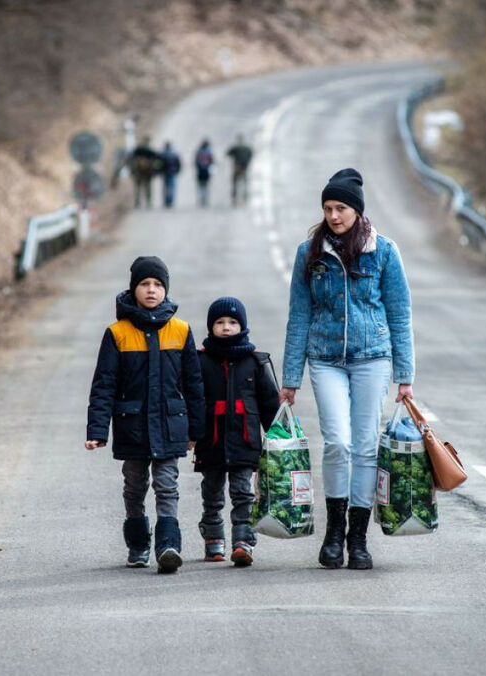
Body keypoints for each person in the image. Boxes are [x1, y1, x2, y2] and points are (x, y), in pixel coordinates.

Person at [279, 168, 415, 571]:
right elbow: (298, 316)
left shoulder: (384, 251)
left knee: (365, 446)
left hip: (373, 357)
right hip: (325, 359)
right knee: (337, 442)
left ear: (356, 210)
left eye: (340, 208)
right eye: (327, 208)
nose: (334, 215)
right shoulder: (310, 253)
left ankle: (358, 539)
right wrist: (290, 379)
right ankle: (333, 533)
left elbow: (399, 313)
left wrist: (405, 375)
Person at [86, 256, 205, 573]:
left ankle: (168, 546)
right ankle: (138, 545)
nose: (151, 290)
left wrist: (196, 429)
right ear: (133, 288)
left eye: (157, 284)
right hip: (132, 426)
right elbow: (104, 385)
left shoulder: (180, 331)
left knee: (167, 485)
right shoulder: (118, 333)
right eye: (144, 284)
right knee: (135, 486)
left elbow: (193, 384)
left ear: (166, 289)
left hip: (169, 425)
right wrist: (98, 430)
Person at [193, 297, 279, 567]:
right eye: (220, 322)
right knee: (212, 492)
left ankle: (243, 541)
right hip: (211, 441)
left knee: (243, 492)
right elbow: (192, 401)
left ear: (242, 326)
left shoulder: (255, 361)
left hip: (245, 440)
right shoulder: (200, 361)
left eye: (232, 322)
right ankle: (213, 539)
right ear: (211, 327)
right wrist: (190, 433)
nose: (226, 327)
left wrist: (278, 437)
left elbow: (269, 404)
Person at [129, 136, 161, 208]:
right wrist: (156, 171)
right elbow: (157, 161)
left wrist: (132, 171)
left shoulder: (137, 150)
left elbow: (131, 159)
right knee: (148, 187)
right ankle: (148, 202)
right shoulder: (150, 150)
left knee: (138, 188)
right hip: (148, 173)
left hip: (138, 173)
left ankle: (137, 202)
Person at [226, 135, 253, 206]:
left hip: (237, 167)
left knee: (235, 182)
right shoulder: (247, 148)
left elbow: (228, 153)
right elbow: (251, 154)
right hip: (244, 167)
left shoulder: (235, 148)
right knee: (244, 182)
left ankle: (234, 198)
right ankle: (245, 196)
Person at [159, 141, 182, 208]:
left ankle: (166, 201)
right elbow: (178, 164)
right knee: (172, 188)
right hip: (172, 173)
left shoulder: (162, 154)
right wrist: (177, 171)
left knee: (165, 188)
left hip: (165, 173)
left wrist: (159, 171)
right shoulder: (174, 154)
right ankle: (171, 201)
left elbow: (158, 164)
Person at [194, 139, 215, 207]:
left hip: (200, 171)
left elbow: (195, 162)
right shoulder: (209, 152)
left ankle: (201, 199)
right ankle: (204, 199)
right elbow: (212, 161)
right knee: (205, 186)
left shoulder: (199, 152)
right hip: (206, 171)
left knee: (200, 186)